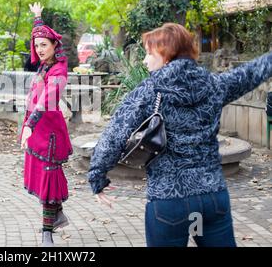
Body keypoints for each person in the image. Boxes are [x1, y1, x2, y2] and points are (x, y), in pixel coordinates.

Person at [88, 22, 272, 247]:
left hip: (169, 203)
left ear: (166, 55)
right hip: (212, 198)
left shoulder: (150, 90)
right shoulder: (215, 84)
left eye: (149, 53)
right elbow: (251, 72)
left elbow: (115, 134)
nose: (145, 60)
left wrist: (98, 176)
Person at [19, 2, 73, 247]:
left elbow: (48, 100)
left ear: (54, 46)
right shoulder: (45, 63)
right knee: (43, 178)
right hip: (36, 129)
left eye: (44, 45)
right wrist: (38, 18)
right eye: (37, 45)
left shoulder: (59, 70)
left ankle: (46, 233)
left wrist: (30, 124)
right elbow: (40, 33)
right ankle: (58, 215)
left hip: (48, 131)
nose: (39, 49)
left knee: (49, 180)